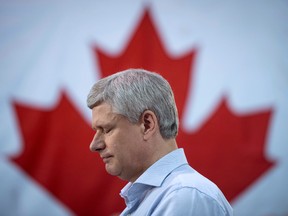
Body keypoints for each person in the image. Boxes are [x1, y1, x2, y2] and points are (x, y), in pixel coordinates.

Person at [87, 68, 233, 216]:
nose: (94, 145)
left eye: (106, 129)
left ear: (147, 124)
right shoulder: (171, 195)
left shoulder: (185, 196)